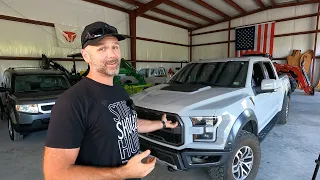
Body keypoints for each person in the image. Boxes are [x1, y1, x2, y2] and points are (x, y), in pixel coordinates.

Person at [43, 21, 178, 180]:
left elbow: (128, 124)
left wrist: (162, 124)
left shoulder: (119, 90)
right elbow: (55, 174)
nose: (112, 55)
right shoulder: (72, 102)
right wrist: (124, 173)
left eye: (115, 47)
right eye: (102, 48)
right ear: (86, 56)